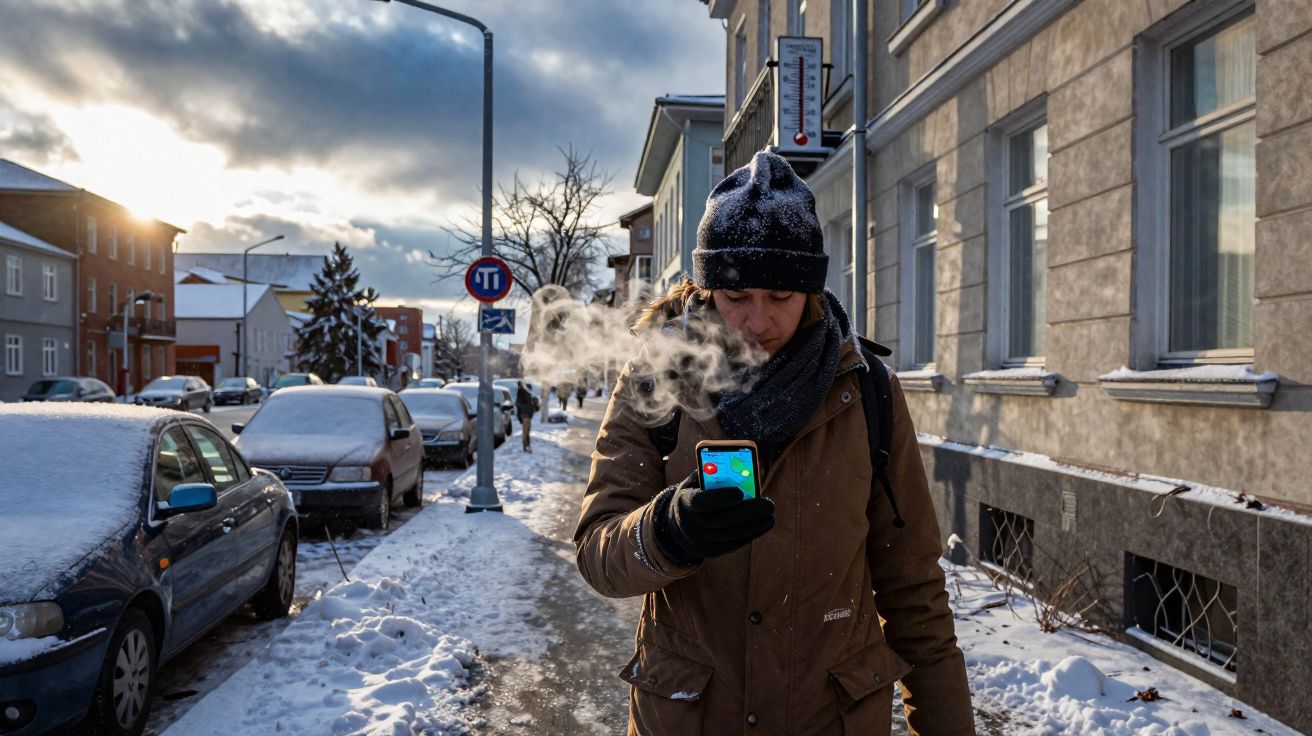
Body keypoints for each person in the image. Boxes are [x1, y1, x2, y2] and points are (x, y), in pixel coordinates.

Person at [574, 151, 974, 735]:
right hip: (690, 717)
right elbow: (597, 552)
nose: (758, 322)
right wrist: (666, 531)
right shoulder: (655, 380)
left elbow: (913, 591)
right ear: (709, 292)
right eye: (738, 298)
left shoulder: (867, 391)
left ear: (810, 291)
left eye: (780, 297)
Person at [515, 380, 537, 452]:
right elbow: (532, 406)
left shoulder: (520, 394)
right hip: (526, 415)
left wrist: (519, 418)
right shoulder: (527, 395)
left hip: (524, 415)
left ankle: (526, 446)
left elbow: (518, 407)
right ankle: (526, 446)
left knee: (525, 432)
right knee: (526, 432)